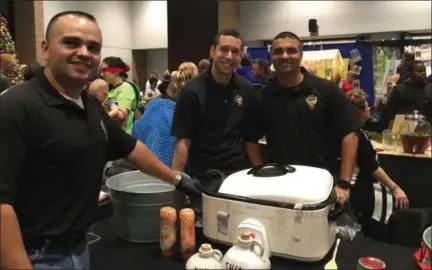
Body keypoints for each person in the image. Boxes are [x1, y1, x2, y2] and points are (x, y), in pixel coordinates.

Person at [0, 11, 201, 270]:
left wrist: (176, 178)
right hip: (35, 256)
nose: (84, 52)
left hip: (79, 248)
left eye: (93, 47)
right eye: (71, 42)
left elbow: (131, 148)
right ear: (45, 49)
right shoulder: (15, 106)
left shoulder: (90, 106)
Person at [246, 31, 361, 204]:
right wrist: (261, 172)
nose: (285, 56)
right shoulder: (263, 96)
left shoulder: (326, 90)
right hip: (280, 186)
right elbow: (250, 139)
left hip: (322, 184)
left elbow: (350, 134)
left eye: (291, 51)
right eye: (278, 52)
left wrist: (344, 184)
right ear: (271, 56)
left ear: (301, 54)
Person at [171, 28, 259, 188]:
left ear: (240, 56)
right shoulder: (191, 91)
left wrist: (260, 173)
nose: (229, 56)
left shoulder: (247, 90)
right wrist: (175, 183)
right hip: (202, 177)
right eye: (224, 49)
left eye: (235, 52)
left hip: (238, 175)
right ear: (212, 51)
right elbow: (183, 142)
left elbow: (250, 140)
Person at [347, 90, 409, 240]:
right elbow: (372, 167)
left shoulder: (352, 131)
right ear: (359, 111)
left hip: (355, 185)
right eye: (367, 106)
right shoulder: (356, 135)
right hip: (357, 188)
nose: (369, 108)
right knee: (387, 200)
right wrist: (395, 188)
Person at [100, 56, 139, 134]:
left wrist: (99, 117)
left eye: (104, 70)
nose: (101, 74)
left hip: (122, 137)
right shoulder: (112, 88)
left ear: (116, 72)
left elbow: (121, 115)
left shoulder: (126, 88)